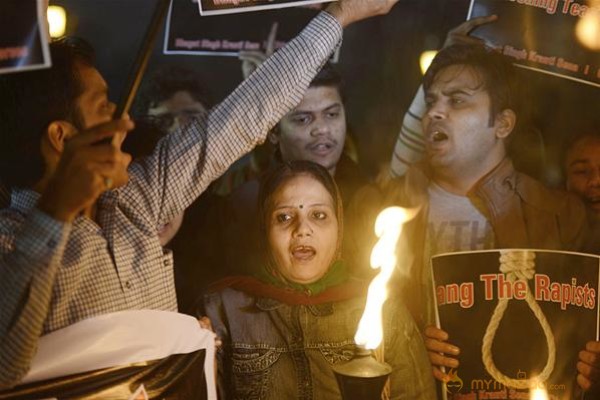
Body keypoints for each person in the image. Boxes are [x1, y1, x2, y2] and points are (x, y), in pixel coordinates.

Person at [0, 0, 399, 388]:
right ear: (62, 137)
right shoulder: (9, 242)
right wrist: (56, 212)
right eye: (104, 107)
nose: (123, 122)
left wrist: (339, 15)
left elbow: (250, 110)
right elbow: (5, 362)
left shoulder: (136, 199)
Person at [348, 43, 598, 390]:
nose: (435, 112)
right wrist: (412, 345)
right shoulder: (382, 210)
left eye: (457, 100)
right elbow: (351, 325)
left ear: (503, 124)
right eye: (432, 101)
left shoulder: (561, 215)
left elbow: (580, 332)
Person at [203, 160, 436, 399]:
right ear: (264, 230)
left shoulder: (382, 308)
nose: (302, 229)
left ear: (339, 227)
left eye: (319, 215)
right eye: (284, 217)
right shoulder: (223, 312)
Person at [222, 63, 368, 277]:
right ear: (273, 131)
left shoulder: (372, 199)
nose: (322, 129)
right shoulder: (245, 205)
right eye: (303, 119)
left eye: (331, 114)